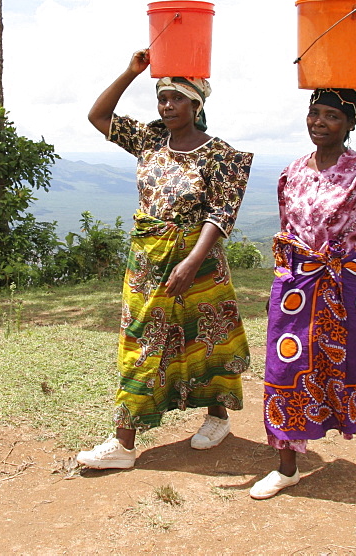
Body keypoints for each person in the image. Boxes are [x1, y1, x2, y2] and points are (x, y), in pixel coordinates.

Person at [75, 49, 253, 470]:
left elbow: (220, 212)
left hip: (200, 259)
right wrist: (132, 72)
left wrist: (191, 261)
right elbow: (98, 117)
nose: (168, 106)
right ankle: (124, 443)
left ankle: (217, 416)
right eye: (162, 98)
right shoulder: (150, 139)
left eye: (177, 98)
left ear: (197, 104)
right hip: (147, 260)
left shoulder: (220, 155)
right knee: (142, 342)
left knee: (208, 337)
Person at [250, 63, 356, 499]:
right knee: (284, 368)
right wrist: (278, 287)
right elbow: (288, 231)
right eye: (314, 113)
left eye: (332, 116)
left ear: (351, 124)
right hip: (295, 284)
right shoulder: (292, 171)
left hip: (343, 283)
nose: (319, 122)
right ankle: (286, 467)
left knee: (351, 365)